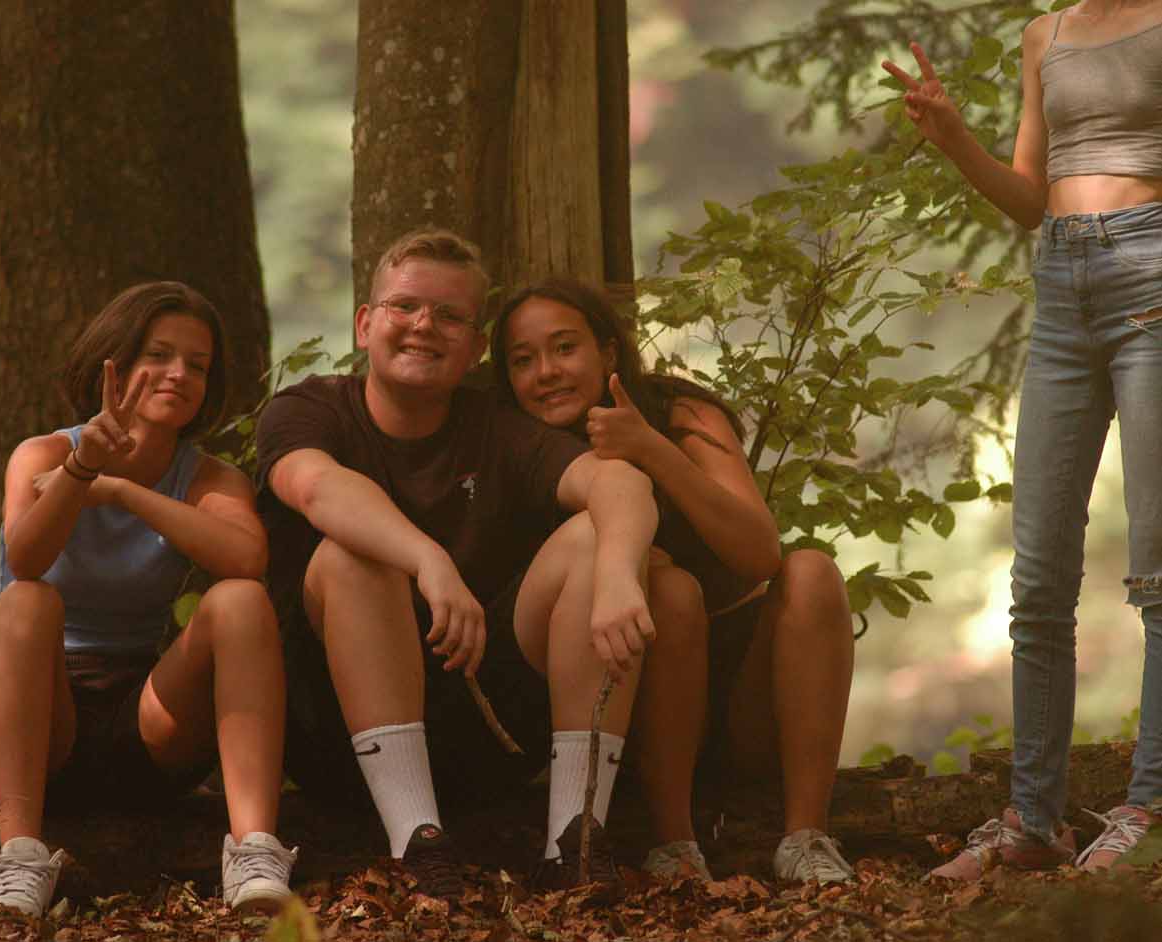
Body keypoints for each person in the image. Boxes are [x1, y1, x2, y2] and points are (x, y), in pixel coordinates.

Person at [254, 229, 698, 898]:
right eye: (405, 306)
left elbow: (619, 482)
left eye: (449, 315)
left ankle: (574, 843)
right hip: (337, 747)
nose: (423, 326)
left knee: (593, 534)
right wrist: (427, 559)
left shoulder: (496, 427)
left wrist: (615, 573)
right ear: (365, 323)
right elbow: (318, 488)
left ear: (475, 346)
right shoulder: (308, 410)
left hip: (490, 736)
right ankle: (415, 847)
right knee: (352, 553)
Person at [881, 0, 1162, 878]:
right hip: (1061, 290)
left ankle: (1146, 809)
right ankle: (1034, 824)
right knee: (1037, 579)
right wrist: (952, 138)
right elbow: (1026, 199)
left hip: (1153, 272)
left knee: (1157, 570)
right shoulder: (1046, 33)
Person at [490, 278, 857, 884]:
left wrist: (651, 449)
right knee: (669, 590)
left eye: (565, 348)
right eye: (523, 360)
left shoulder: (679, 412)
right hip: (627, 704)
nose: (546, 372)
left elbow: (759, 553)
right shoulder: (512, 441)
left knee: (811, 571)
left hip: (737, 695)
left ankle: (807, 839)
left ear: (608, 352)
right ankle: (674, 845)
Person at [0, 282, 295, 916]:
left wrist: (124, 492)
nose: (179, 374)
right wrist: (82, 468)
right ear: (112, 364)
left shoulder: (209, 477)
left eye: (197, 365)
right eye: (159, 355)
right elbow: (25, 560)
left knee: (241, 600)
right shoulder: (43, 454)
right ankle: (20, 855)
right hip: (34, 717)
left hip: (143, 723)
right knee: (28, 601)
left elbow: (247, 559)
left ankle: (254, 851)